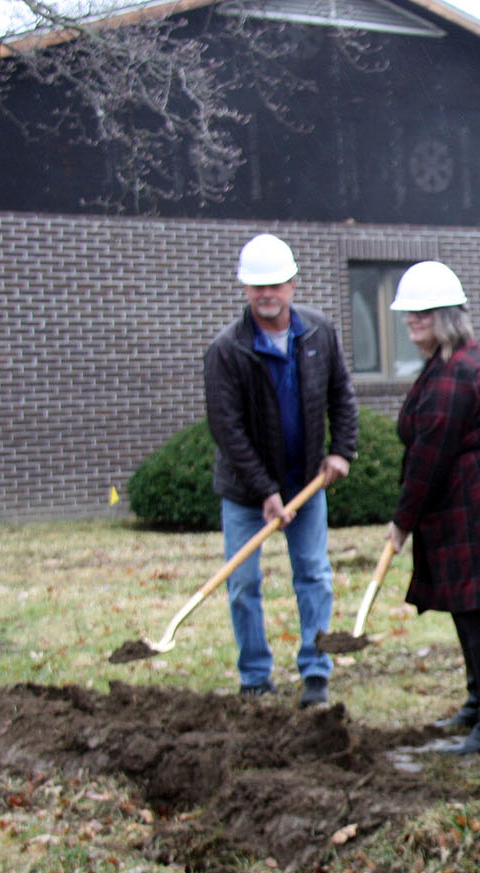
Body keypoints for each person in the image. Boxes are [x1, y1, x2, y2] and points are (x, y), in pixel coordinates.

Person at [384, 261, 480, 754]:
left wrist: (401, 522)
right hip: (469, 500)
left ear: (448, 316)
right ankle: (478, 705)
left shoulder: (457, 373)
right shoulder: (449, 364)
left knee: (477, 612)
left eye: (423, 313)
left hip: (479, 504)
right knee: (465, 606)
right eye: (408, 313)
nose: (412, 320)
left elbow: (430, 457)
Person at [204, 233, 357, 707]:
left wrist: (342, 451)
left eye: (275, 284)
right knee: (243, 583)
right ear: (245, 290)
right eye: (256, 286)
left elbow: (342, 396)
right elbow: (227, 431)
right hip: (246, 492)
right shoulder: (227, 350)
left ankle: (315, 672)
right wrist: (265, 490)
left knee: (313, 574)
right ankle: (254, 676)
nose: (266, 294)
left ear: (292, 283)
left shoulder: (318, 332)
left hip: (307, 484)